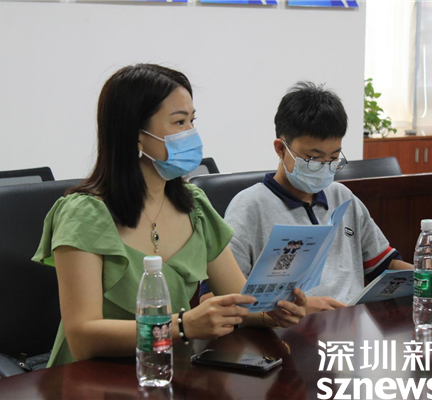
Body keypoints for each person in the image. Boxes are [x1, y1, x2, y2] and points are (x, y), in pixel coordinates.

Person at [32, 64, 307, 367]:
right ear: (135, 136)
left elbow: (240, 300)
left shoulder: (194, 207)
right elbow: (83, 339)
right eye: (179, 122)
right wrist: (181, 326)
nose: (191, 134)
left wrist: (271, 313)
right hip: (91, 377)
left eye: (192, 121)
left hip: (167, 369)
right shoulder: (83, 214)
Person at [199, 81, 432, 313]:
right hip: (287, 331)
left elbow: (383, 265)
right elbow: (214, 298)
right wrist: (295, 309)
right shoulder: (250, 207)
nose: (325, 167)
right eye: (313, 158)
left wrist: (427, 275)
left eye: (333, 158)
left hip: (351, 323)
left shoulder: (342, 197)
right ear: (281, 149)